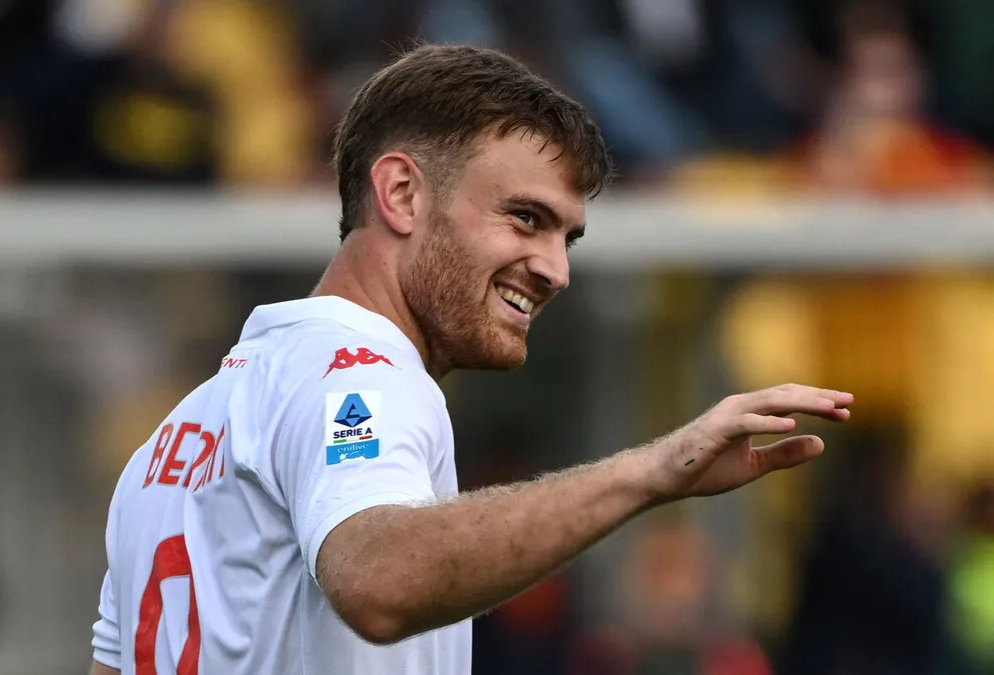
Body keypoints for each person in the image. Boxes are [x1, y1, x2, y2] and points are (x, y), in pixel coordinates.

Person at [88, 44, 852, 675]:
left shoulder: (177, 434)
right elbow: (378, 579)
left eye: (567, 237)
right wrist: (653, 471)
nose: (555, 269)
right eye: (525, 218)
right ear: (400, 192)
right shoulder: (361, 373)